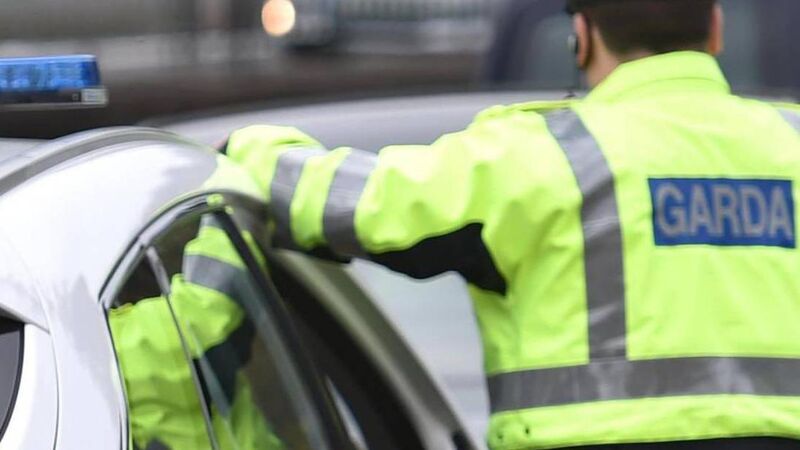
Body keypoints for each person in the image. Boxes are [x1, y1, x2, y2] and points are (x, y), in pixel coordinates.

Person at [223, 0, 800, 448]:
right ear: (716, 30)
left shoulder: (537, 158)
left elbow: (359, 205)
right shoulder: (792, 145)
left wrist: (242, 150)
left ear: (583, 36)